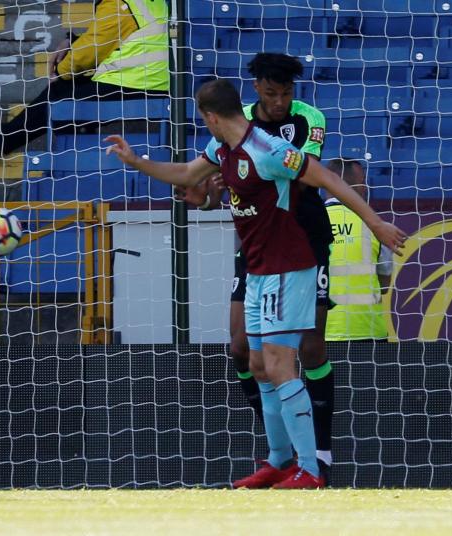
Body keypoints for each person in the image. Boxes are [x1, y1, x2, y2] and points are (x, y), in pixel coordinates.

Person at [105, 79, 406, 488]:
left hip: (289, 264)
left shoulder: (269, 150)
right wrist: (136, 161)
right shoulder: (223, 149)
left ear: (210, 117)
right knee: (258, 365)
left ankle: (311, 470)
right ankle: (280, 462)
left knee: (281, 364)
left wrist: (375, 221)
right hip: (259, 267)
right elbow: (186, 173)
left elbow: (328, 179)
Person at [181, 53, 337, 476]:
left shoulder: (308, 120)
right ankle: (280, 448)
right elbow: (234, 191)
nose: (280, 102)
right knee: (242, 349)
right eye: (271, 93)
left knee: (310, 346)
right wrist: (211, 196)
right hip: (255, 243)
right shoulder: (236, 122)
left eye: (286, 94)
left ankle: (319, 452)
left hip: (303, 236)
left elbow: (299, 178)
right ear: (255, 90)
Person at [0, 0, 169, 161]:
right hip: (151, 83)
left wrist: (59, 70)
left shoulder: (120, 4)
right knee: (69, 91)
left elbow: (86, 55)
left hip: (139, 84)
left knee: (58, 94)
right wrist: (72, 41)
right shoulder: (147, 3)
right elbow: (111, 39)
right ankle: (2, 138)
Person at [324, 159, 393, 341]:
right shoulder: (377, 227)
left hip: (318, 334)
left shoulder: (305, 224)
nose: (365, 187)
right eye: (363, 181)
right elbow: (384, 285)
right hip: (368, 331)